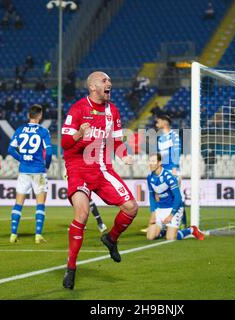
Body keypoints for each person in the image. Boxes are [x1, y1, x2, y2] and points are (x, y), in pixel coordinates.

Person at [61, 71, 137, 289]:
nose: (109, 83)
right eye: (105, 81)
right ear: (92, 86)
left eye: (110, 81)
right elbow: (65, 144)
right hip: (78, 169)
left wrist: (124, 155)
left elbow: (116, 143)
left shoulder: (113, 111)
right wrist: (78, 134)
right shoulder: (77, 109)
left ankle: (111, 239)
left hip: (102, 169)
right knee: (82, 214)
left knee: (131, 208)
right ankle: (71, 268)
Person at [7, 105, 52, 244]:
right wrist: (47, 165)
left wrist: (21, 158)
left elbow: (10, 149)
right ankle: (38, 235)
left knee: (18, 203)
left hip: (23, 171)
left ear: (28, 115)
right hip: (38, 171)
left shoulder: (20, 130)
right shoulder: (43, 131)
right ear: (40, 116)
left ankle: (13, 234)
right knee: (40, 204)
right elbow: (49, 152)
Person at [146, 153, 204, 241]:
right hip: (160, 209)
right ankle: (165, 231)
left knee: (171, 238)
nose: (151, 163)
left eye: (153, 161)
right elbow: (151, 195)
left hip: (173, 208)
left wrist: (171, 215)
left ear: (159, 163)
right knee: (150, 237)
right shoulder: (150, 177)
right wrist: (153, 212)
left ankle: (191, 230)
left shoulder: (168, 177)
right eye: (150, 161)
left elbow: (178, 198)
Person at [154, 113, 187, 228]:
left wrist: (174, 168)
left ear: (165, 122)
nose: (157, 123)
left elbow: (176, 152)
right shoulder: (161, 138)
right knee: (164, 195)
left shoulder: (174, 135)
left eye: (158, 121)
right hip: (164, 170)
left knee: (175, 195)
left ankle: (183, 223)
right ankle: (162, 223)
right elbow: (161, 156)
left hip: (173, 170)